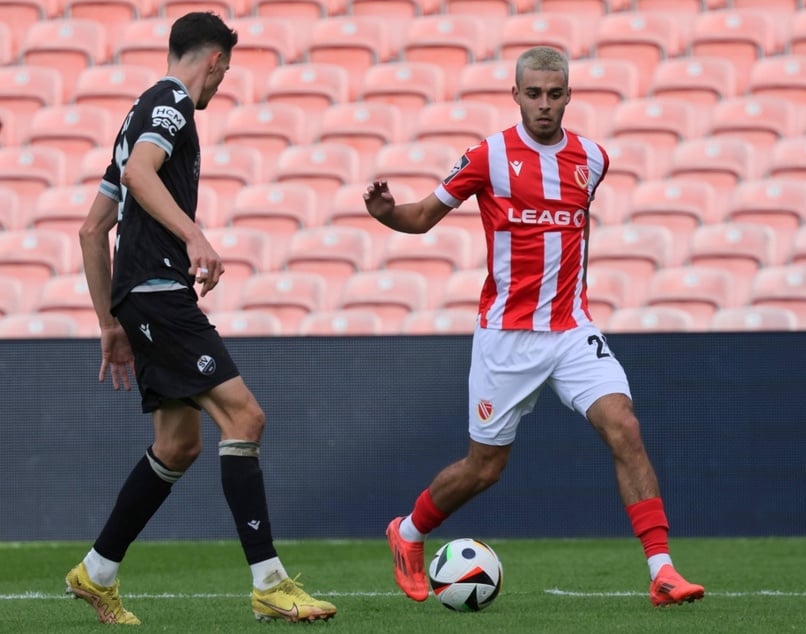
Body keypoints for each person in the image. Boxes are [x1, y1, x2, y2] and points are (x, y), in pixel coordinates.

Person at [365, 46, 705, 608]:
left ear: (569, 95)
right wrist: (387, 213)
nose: (544, 104)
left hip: (572, 328)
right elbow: (423, 217)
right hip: (506, 336)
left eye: (554, 93)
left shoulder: (592, 159)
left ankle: (663, 571)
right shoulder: (489, 156)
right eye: (534, 93)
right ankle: (408, 533)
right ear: (516, 95)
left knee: (624, 426)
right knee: (484, 469)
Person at [68, 12, 336, 625]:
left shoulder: (135, 113)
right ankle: (269, 582)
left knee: (178, 444)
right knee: (245, 416)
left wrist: (111, 323)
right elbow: (141, 173)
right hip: (161, 293)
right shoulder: (171, 104)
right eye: (226, 72)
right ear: (214, 60)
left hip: (139, 299)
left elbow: (92, 230)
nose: (220, 86)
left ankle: (97, 571)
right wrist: (195, 236)